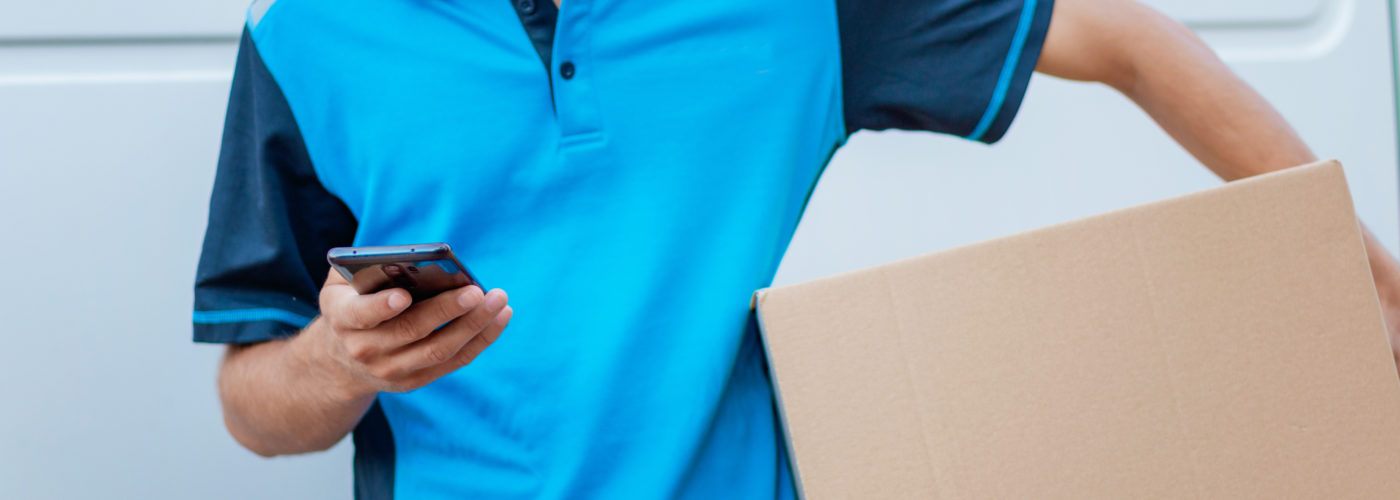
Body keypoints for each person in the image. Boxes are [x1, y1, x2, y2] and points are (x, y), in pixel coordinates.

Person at [192, 0, 1400, 497]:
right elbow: (254, 402)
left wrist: (1335, 256)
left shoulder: (796, 10)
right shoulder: (309, 36)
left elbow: (1124, 37)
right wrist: (345, 361)